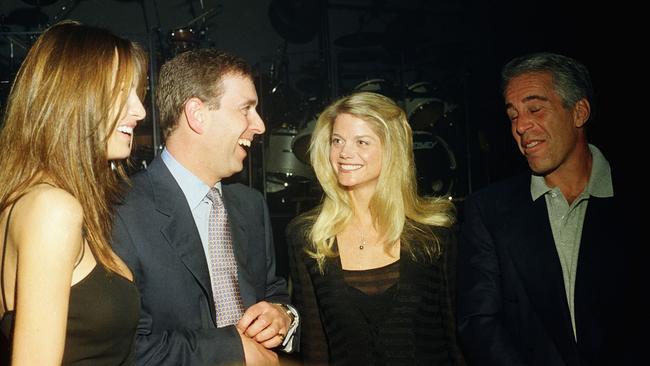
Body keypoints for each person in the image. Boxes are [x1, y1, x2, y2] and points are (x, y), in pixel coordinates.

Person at [111, 48, 299, 366]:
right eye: (246, 109)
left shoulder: (251, 206)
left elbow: (274, 291)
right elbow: (123, 350)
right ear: (197, 115)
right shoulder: (121, 210)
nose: (260, 125)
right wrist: (231, 351)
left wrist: (283, 317)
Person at [456, 52, 638, 365]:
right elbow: (479, 323)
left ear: (579, 112)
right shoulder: (489, 210)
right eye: (513, 115)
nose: (521, 126)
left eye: (535, 109)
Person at [0, 21, 147, 365]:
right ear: (74, 98)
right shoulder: (52, 208)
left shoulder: (35, 198)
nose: (139, 110)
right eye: (122, 92)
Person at [286, 91, 466, 365]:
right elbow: (315, 346)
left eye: (362, 141)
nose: (345, 153)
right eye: (337, 141)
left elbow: (457, 339)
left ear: (391, 149)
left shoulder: (434, 234)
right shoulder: (309, 237)